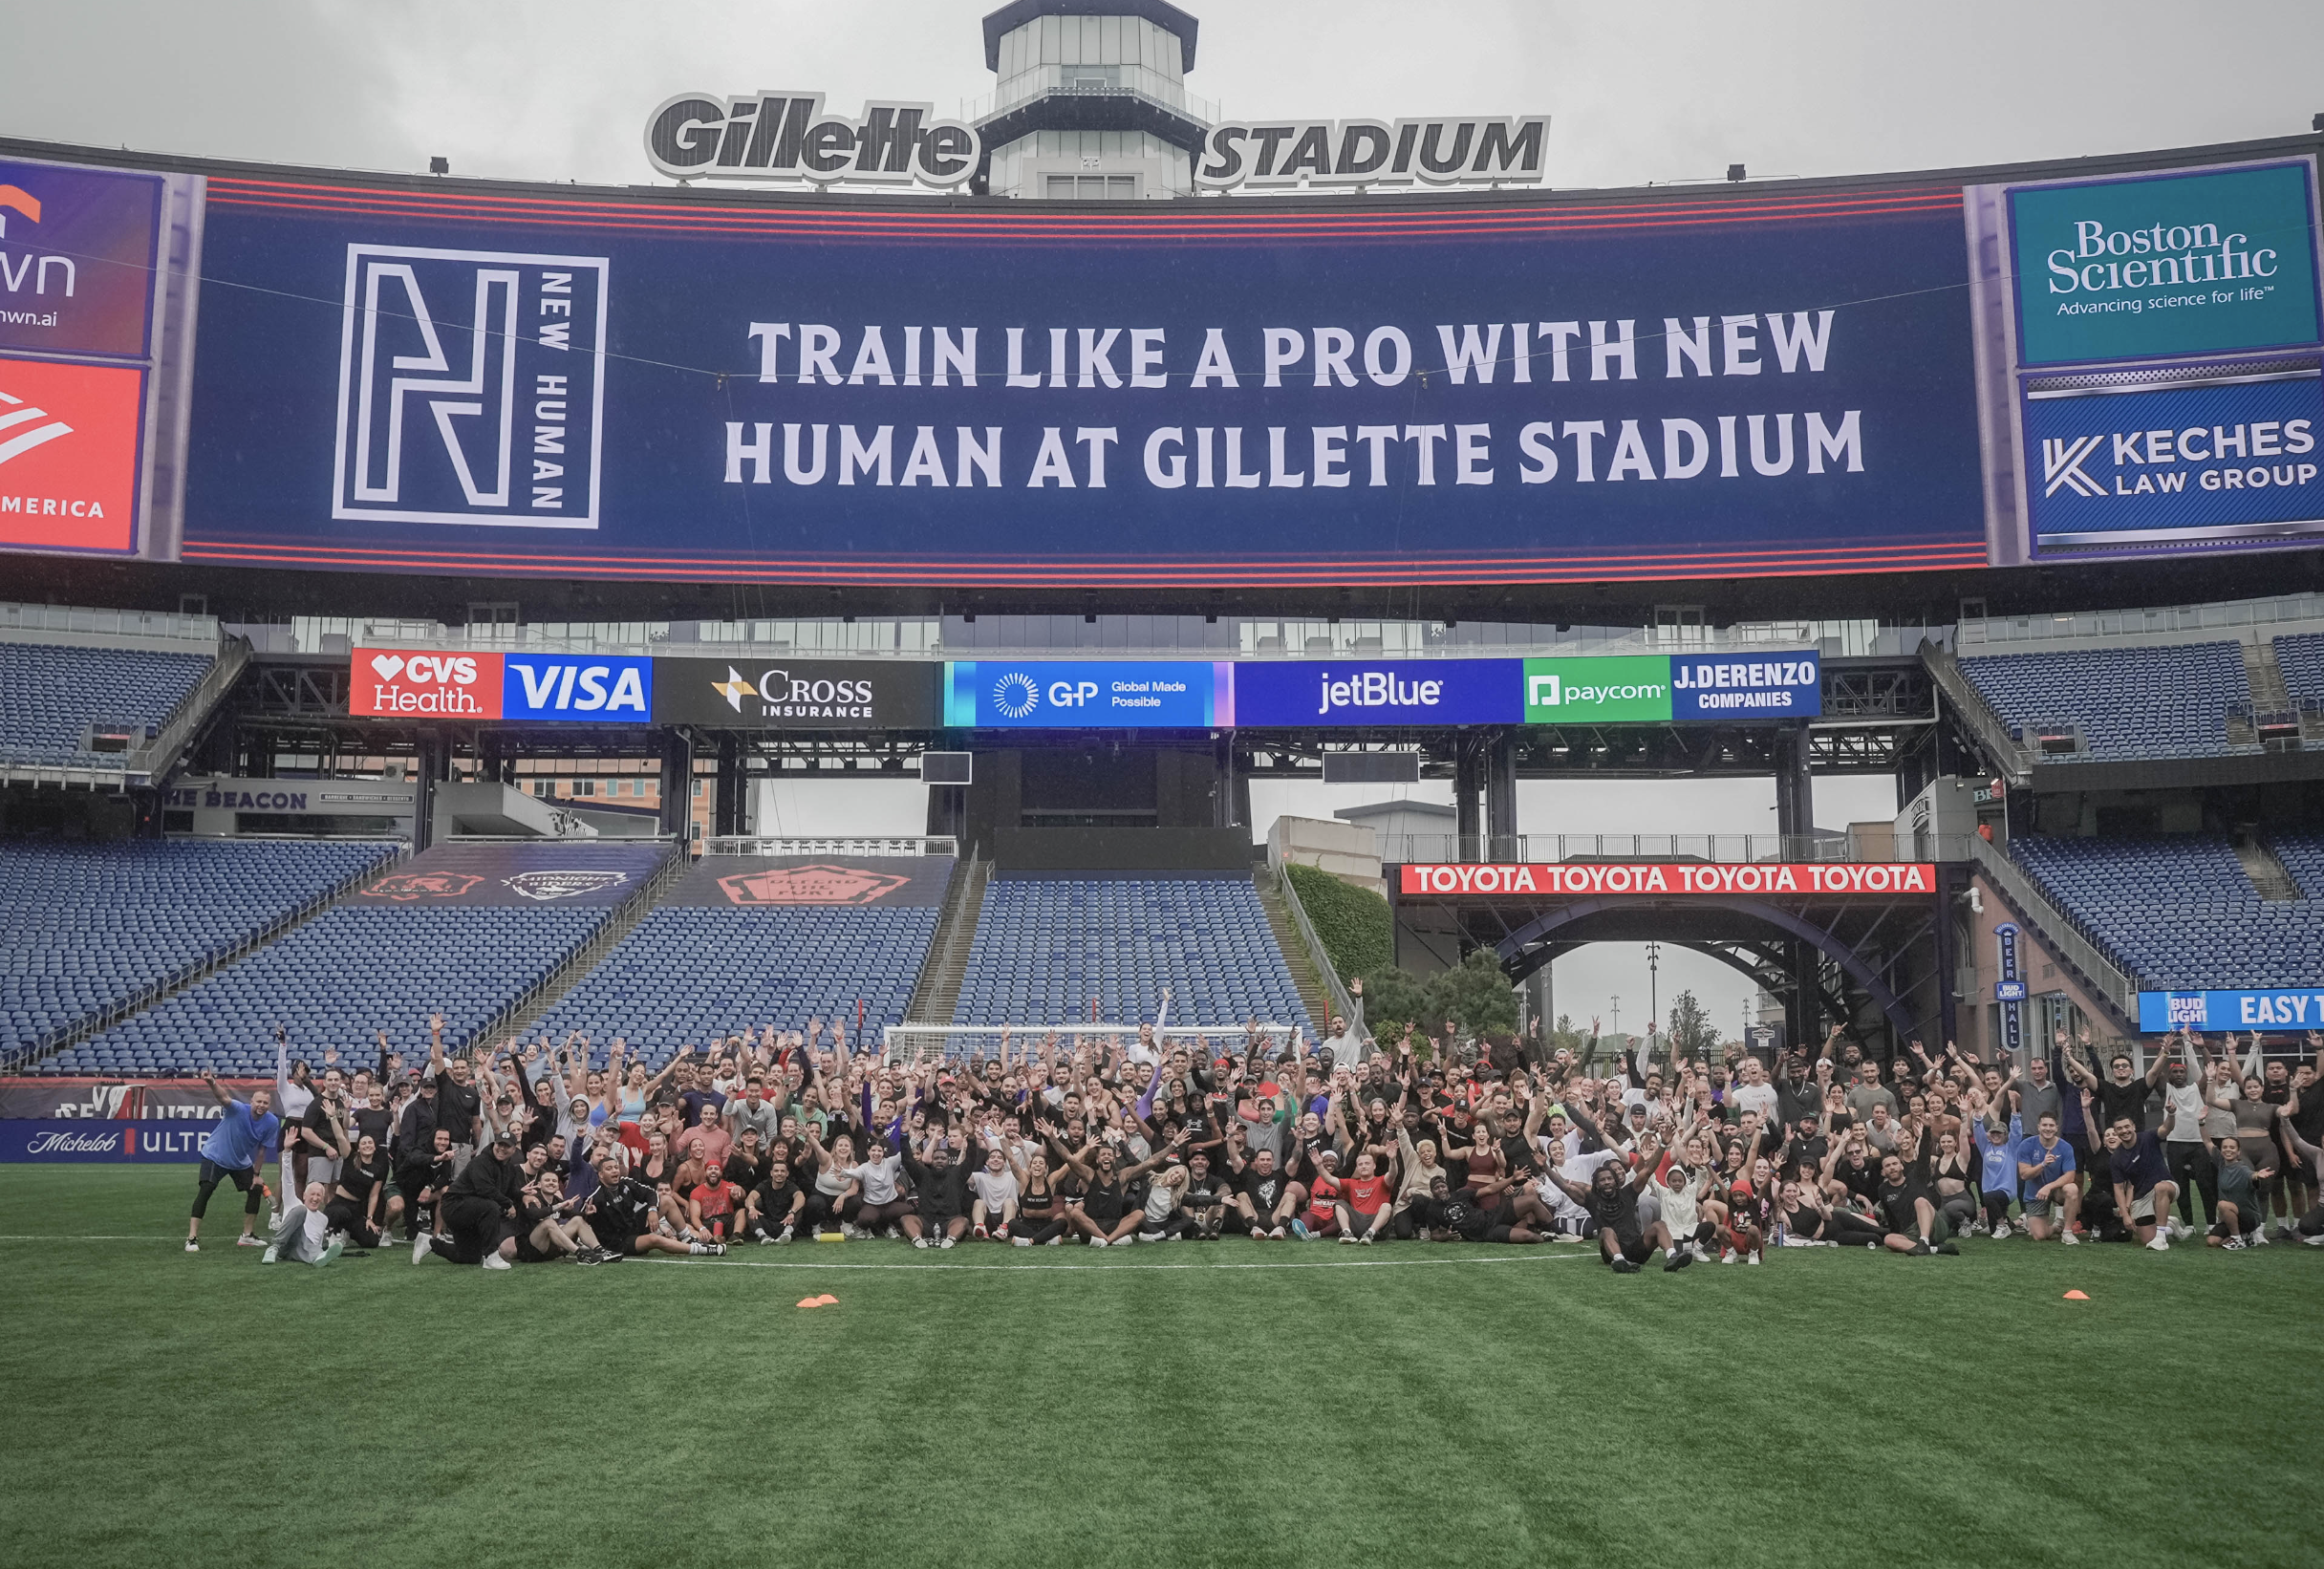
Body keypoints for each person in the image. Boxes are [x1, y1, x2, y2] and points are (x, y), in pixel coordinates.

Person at [1542, 1158, 1690, 1274]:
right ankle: (1620, 1262)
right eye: (1602, 1180)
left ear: (1616, 1181)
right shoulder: (1591, 1199)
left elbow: (1648, 1170)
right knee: (1606, 1231)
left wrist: (1663, 1144)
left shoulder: (1628, 1193)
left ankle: (1672, 1257)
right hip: (1611, 1254)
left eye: (1609, 1178)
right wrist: (1544, 1166)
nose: (1606, 1182)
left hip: (1635, 1250)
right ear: (1597, 1184)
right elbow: (1565, 1186)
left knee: (1659, 1225)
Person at [187, 1069, 279, 1252]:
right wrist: (211, 1082)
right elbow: (224, 1099)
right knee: (207, 1189)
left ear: (269, 1105)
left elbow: (262, 1151)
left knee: (256, 1188)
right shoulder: (237, 1109)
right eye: (258, 1101)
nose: (261, 1105)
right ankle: (192, 1238)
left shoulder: (272, 1122)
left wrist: (256, 1175)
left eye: (265, 1103)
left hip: (239, 1161)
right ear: (251, 1102)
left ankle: (247, 1236)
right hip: (215, 1155)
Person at [2107, 1115, 2182, 1251]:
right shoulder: (2116, 1158)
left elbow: (2167, 1128)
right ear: (2116, 1132)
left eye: (2126, 1126)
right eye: (2119, 1129)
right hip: (2142, 1195)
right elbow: (2118, 1188)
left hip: (2166, 1186)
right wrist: (2125, 1215)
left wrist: (2171, 1114)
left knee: (2160, 1188)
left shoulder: (2148, 1137)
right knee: (2146, 1239)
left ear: (2133, 1127)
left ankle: (2161, 1239)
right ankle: (2170, 1225)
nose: (2124, 1131)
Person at [2014, 1113, 2082, 1245]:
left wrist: (2049, 1187)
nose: (2048, 1128)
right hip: (2036, 1193)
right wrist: (2043, 1165)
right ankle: (2057, 1227)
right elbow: (2024, 1175)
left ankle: (2067, 1232)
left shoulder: (2065, 1147)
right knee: (2039, 1235)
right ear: (2038, 1127)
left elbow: (2070, 1176)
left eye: (2051, 1125)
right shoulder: (2026, 1144)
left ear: (2056, 1128)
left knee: (2072, 1188)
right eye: (2044, 1125)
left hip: (2057, 1190)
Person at [260, 1178, 344, 1268]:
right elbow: (287, 1181)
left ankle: (318, 1256)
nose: (315, 1198)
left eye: (319, 1195)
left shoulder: (323, 1219)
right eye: (312, 1194)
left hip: (300, 1249)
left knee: (311, 1244)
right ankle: (274, 1248)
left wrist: (317, 1250)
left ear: (322, 1199)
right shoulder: (295, 1205)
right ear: (304, 1196)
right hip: (285, 1243)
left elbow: (318, 1241)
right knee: (301, 1210)